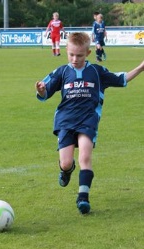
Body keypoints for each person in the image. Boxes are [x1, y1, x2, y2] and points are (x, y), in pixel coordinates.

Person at [35, 32, 144, 214]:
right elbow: (45, 93)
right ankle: (66, 171)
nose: (74, 59)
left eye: (79, 55)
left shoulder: (97, 72)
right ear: (66, 51)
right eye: (71, 54)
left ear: (88, 53)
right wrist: (40, 90)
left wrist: (140, 68)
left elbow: (122, 78)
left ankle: (83, 198)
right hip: (66, 121)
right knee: (66, 162)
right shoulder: (62, 72)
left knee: (85, 157)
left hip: (88, 120)